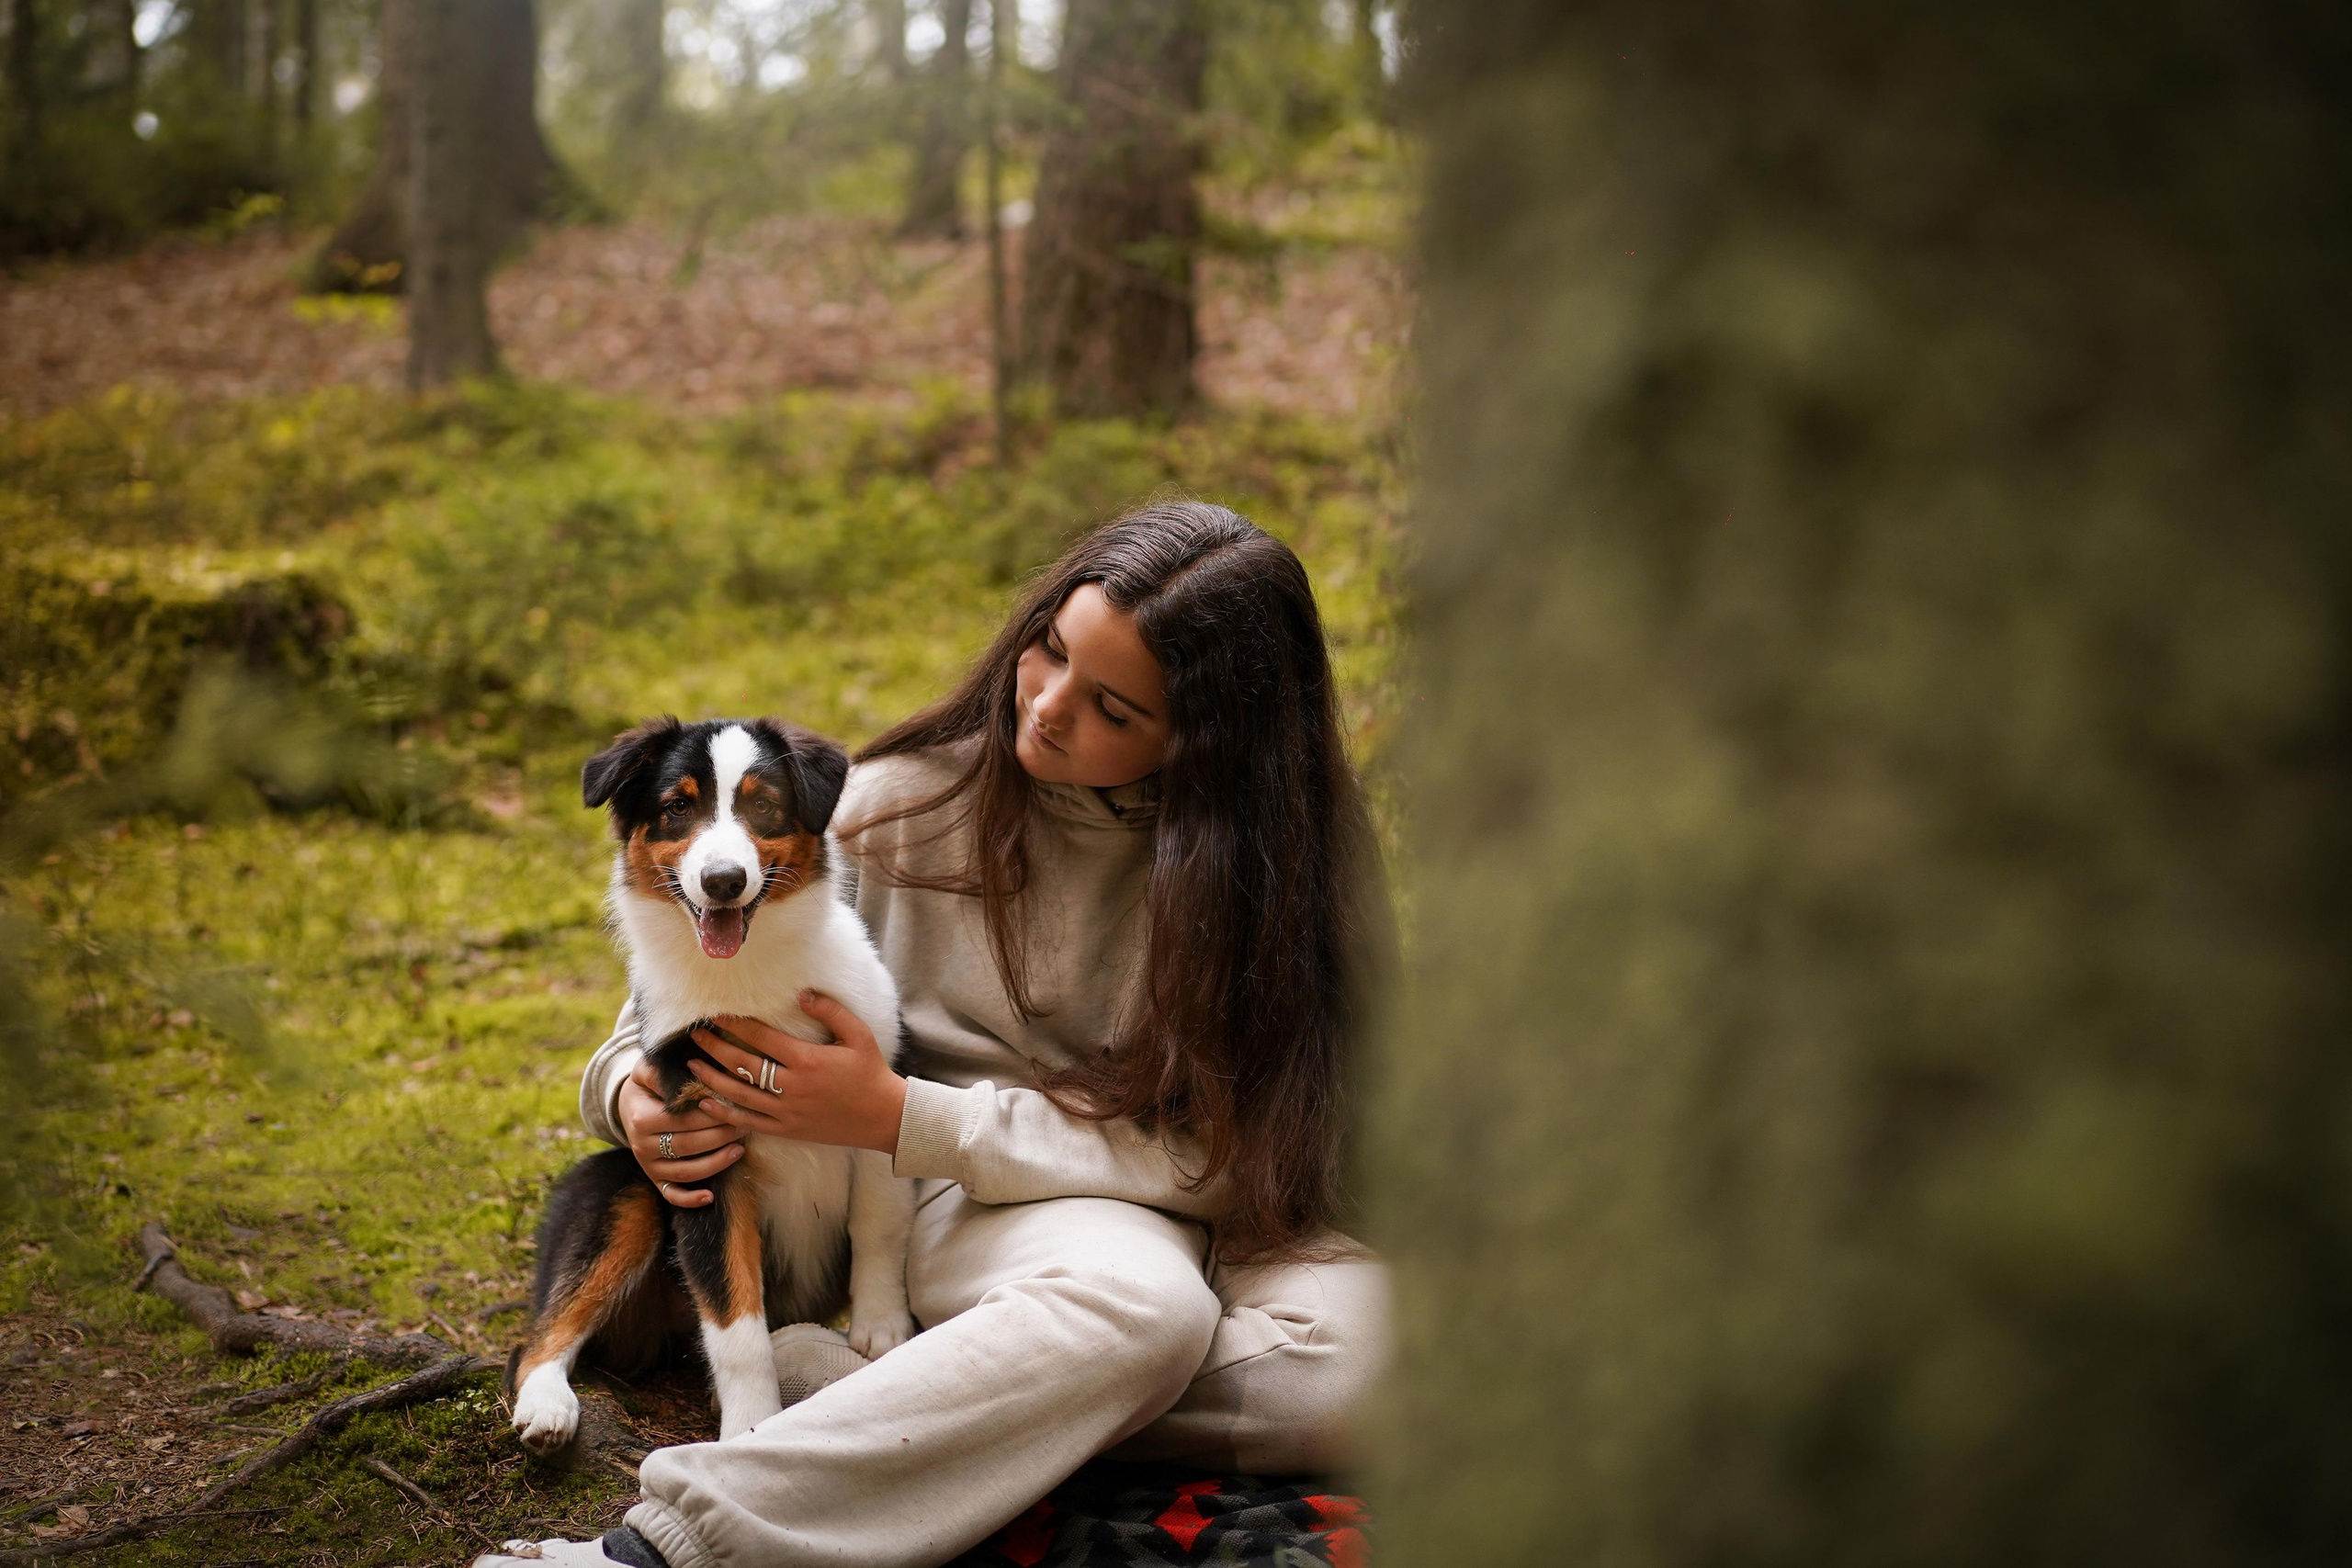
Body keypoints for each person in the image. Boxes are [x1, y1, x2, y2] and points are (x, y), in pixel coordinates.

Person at [477, 502, 1390, 1568]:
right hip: (983, 1202)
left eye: (1110, 706)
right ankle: (686, 1542)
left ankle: (932, 1397)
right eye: (1045, 653)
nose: (1046, 708)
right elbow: (659, 1025)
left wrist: (912, 1111)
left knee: (1370, 1368)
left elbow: (1262, 1149)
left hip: (1219, 1203)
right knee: (1141, 1310)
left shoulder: (1282, 878)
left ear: (1210, 741)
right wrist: (627, 1096)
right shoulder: (886, 810)